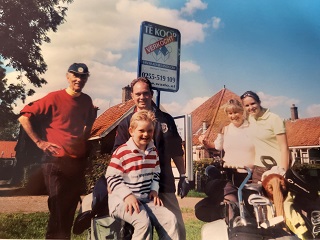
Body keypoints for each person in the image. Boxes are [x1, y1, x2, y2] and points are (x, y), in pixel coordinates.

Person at [18, 63, 96, 239]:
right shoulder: (54, 97)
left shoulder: (87, 101)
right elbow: (24, 118)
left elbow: (88, 126)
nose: (79, 79)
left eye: (83, 77)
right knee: (59, 208)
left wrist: (83, 142)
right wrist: (40, 142)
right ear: (68, 77)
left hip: (76, 162)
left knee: (69, 208)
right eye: (75, 75)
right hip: (55, 162)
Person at [112, 77, 188, 240]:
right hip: (136, 187)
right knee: (141, 229)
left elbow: (176, 151)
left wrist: (183, 175)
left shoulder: (166, 119)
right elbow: (117, 156)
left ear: (151, 94)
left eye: (145, 93)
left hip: (164, 184)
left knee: (176, 229)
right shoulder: (126, 124)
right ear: (132, 96)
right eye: (138, 94)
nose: (142, 97)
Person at [106, 110, 178, 239]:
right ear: (131, 131)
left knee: (170, 219)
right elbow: (111, 177)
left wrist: (154, 190)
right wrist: (127, 195)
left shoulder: (153, 151)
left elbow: (156, 173)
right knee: (143, 222)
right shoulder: (122, 152)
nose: (146, 134)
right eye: (141, 131)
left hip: (145, 199)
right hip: (121, 201)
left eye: (149, 131)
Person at [200, 99, 255, 221]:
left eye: (236, 112)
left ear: (243, 112)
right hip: (230, 173)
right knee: (232, 203)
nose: (233, 116)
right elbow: (217, 146)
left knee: (250, 204)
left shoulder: (251, 128)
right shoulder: (226, 129)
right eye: (230, 113)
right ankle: (234, 226)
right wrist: (205, 142)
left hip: (250, 174)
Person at [240, 90, 289, 183]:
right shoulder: (250, 119)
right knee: (256, 197)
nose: (251, 107)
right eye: (247, 105)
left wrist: (282, 172)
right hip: (258, 168)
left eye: (253, 103)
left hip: (275, 167)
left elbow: (284, 147)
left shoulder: (274, 119)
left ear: (259, 102)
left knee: (276, 197)